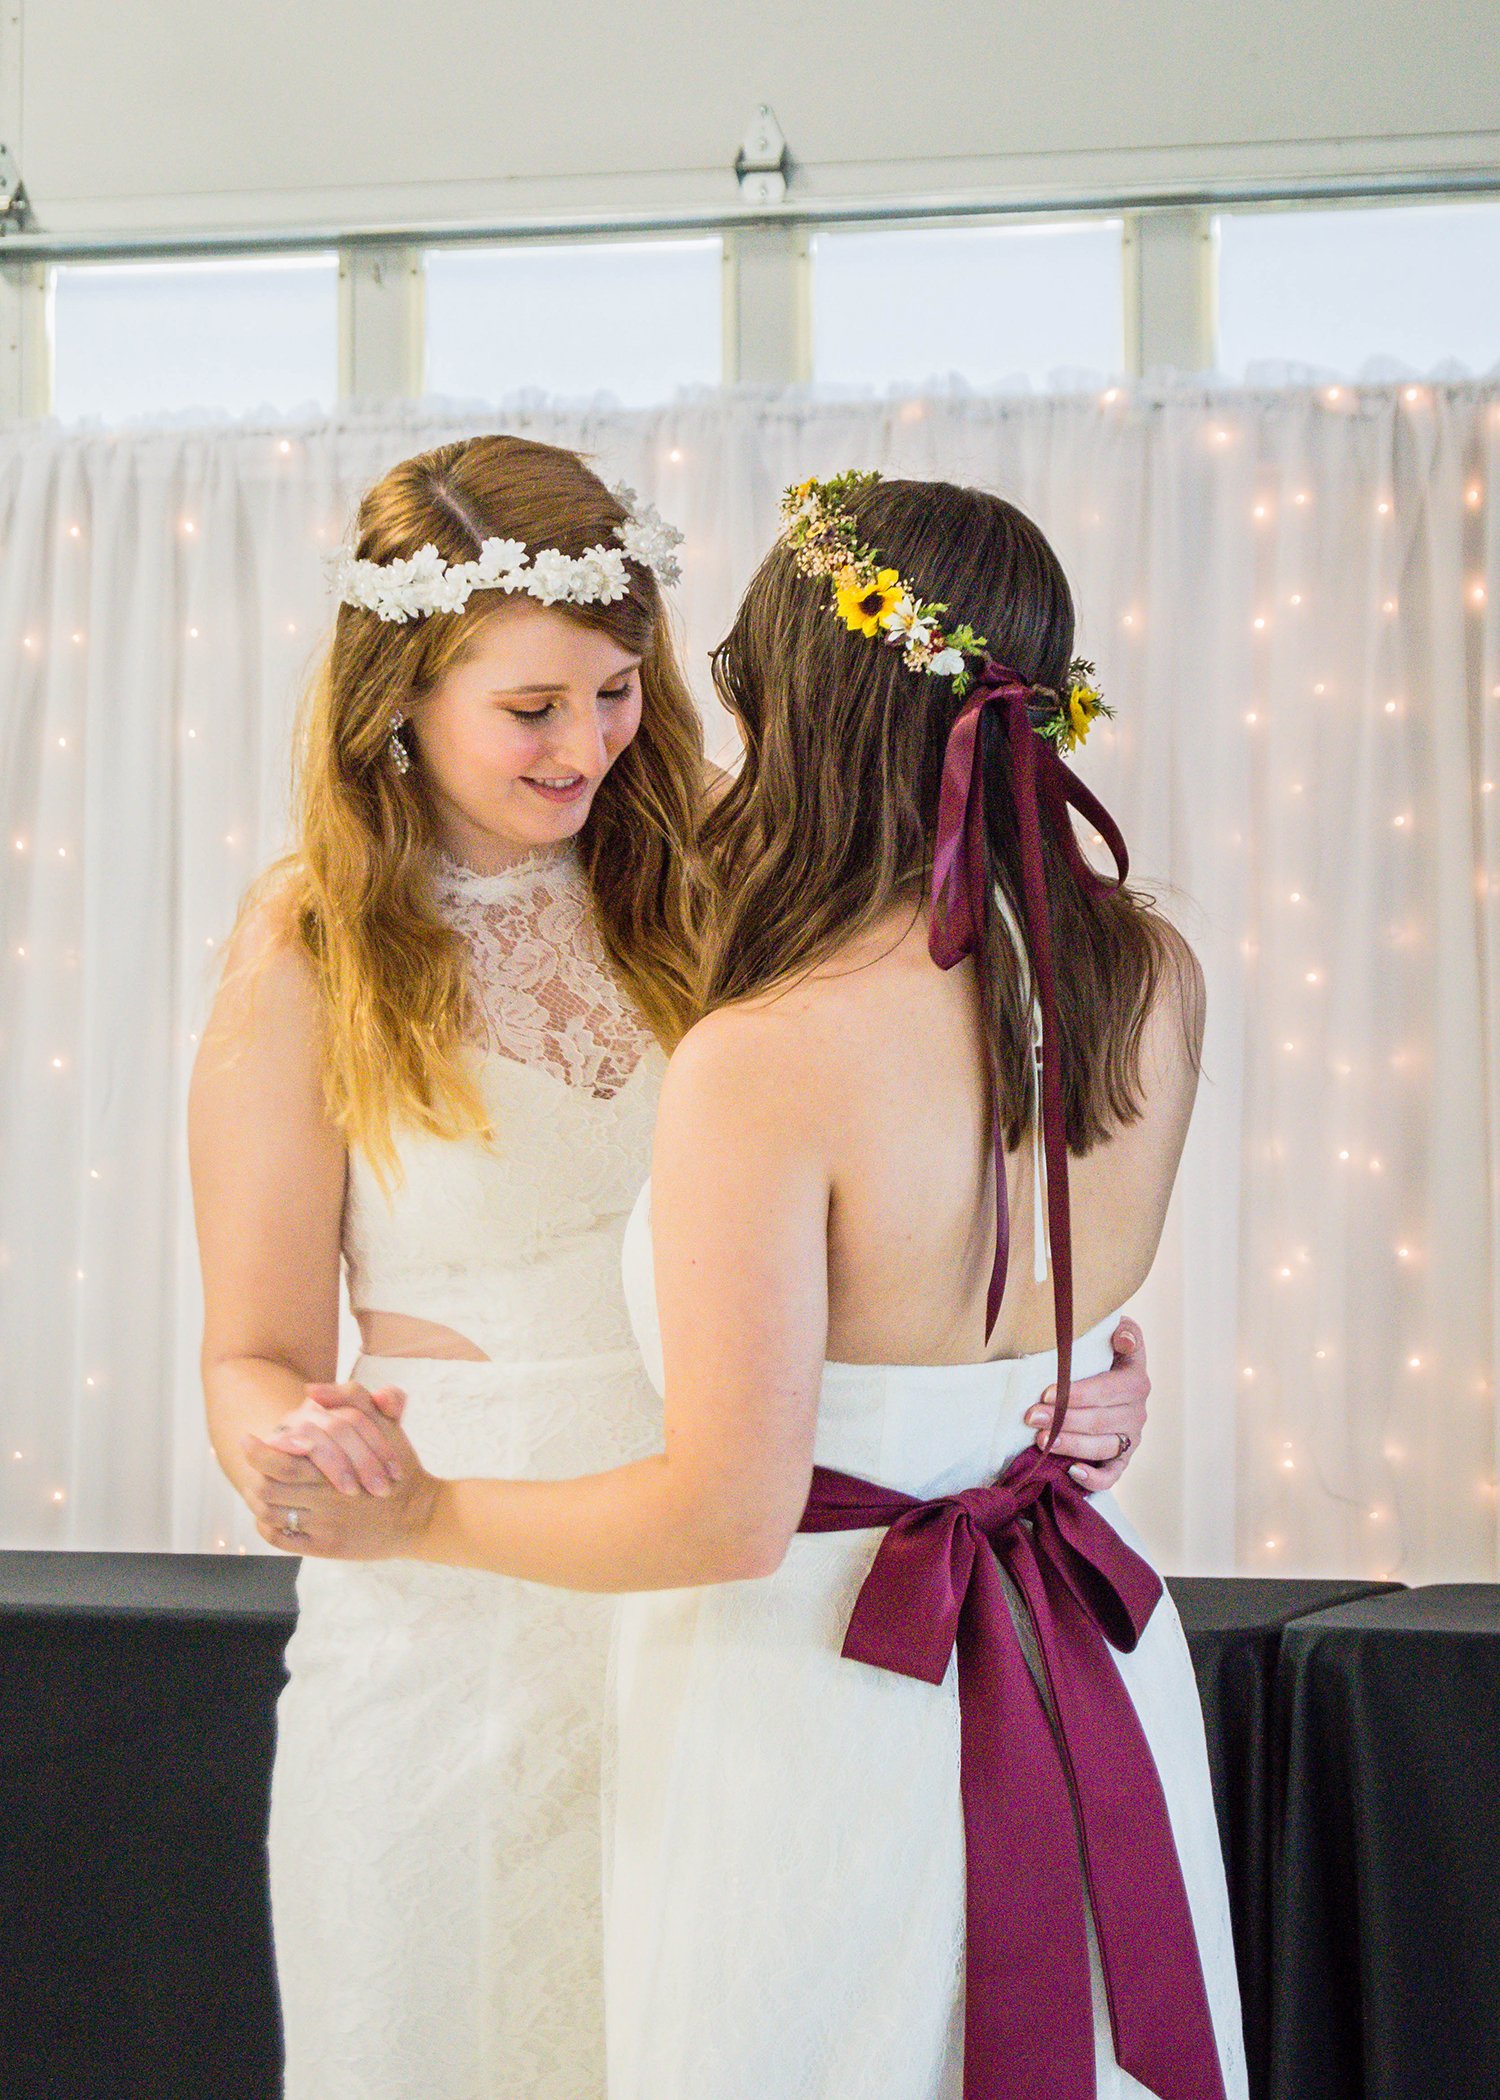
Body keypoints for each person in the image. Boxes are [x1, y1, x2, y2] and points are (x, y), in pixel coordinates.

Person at [243, 471, 1244, 2098]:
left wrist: (1051, 1384)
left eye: (628, 692)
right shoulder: (1142, 971)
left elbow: (756, 1463)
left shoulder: (753, 957)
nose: (600, 742)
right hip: (522, 1620)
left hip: (757, 1614)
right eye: (533, 705)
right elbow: (253, 1343)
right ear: (394, 705)